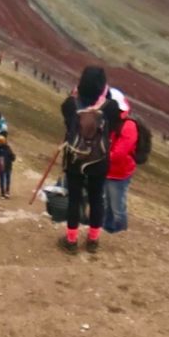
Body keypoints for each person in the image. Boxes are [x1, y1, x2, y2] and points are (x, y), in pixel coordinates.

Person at [59, 65, 120, 254]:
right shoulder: (111, 107)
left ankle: (71, 240)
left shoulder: (70, 104)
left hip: (74, 157)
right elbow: (113, 127)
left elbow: (68, 124)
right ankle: (93, 240)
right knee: (96, 198)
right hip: (99, 159)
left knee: (74, 199)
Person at [103, 88, 138, 234]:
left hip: (119, 174)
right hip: (107, 171)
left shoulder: (128, 126)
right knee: (107, 203)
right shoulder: (108, 121)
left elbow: (119, 154)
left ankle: (120, 232)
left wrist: (101, 156)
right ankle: (107, 228)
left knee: (117, 206)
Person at [0, 134, 15, 199]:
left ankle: (3, 194)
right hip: (8, 165)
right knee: (7, 179)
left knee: (2, 180)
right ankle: (7, 192)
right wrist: (12, 158)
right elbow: (12, 157)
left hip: (1, 166)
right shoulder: (8, 148)